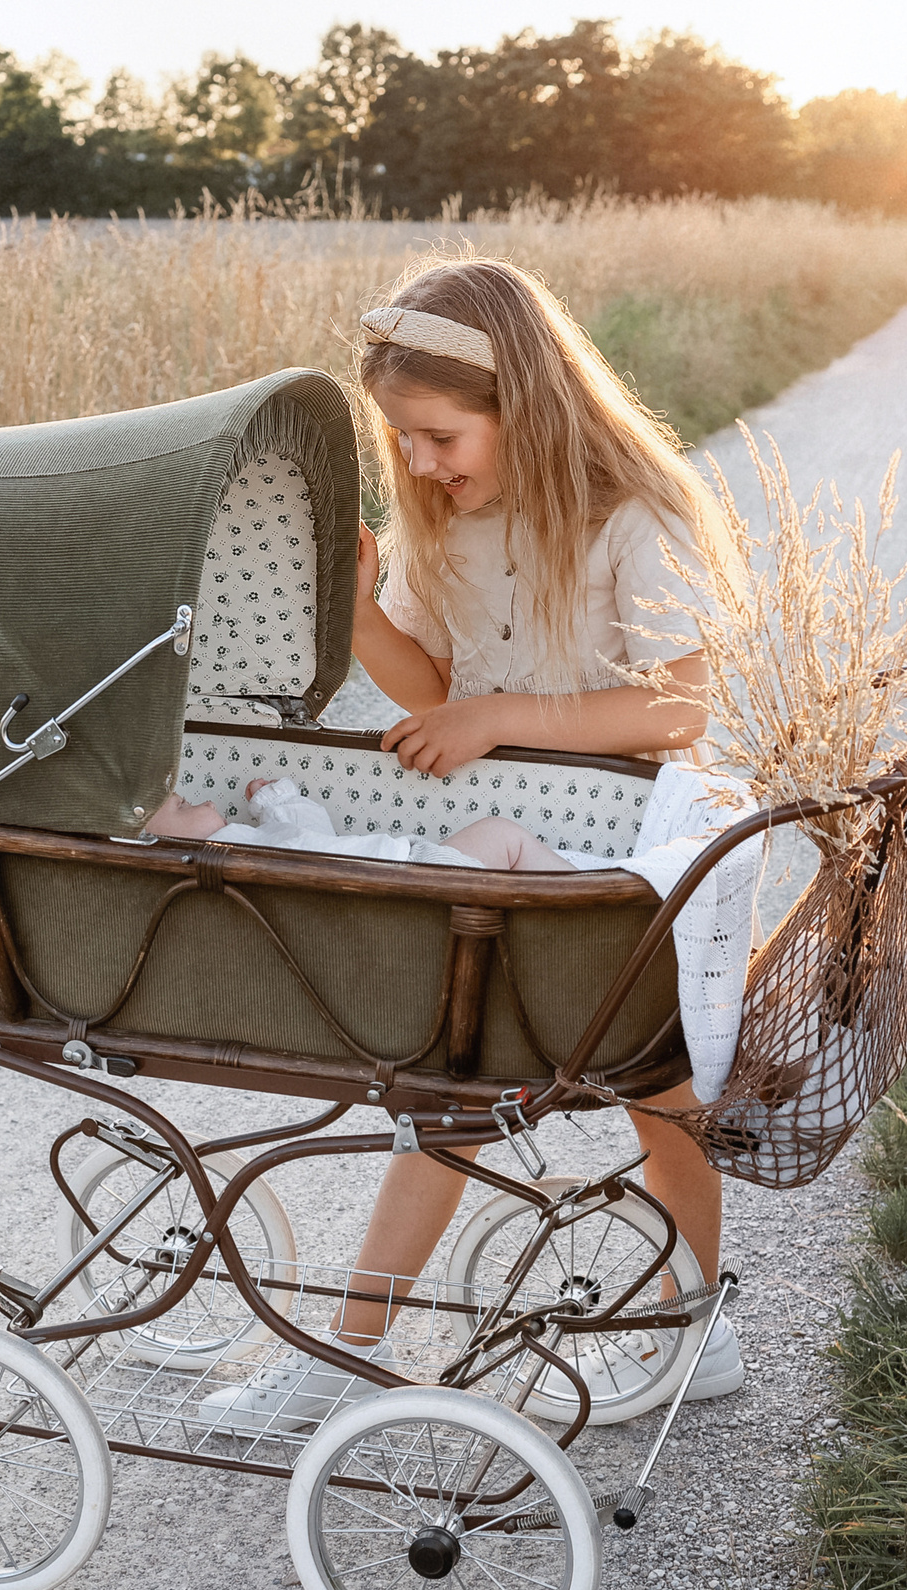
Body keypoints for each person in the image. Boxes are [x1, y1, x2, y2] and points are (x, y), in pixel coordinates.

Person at [195, 256, 741, 1434]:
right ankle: (345, 1352)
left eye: (443, 436)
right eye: (408, 441)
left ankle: (693, 1319)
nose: (427, 464)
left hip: (619, 854)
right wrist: (353, 618)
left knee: (664, 1100)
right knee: (445, 1090)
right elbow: (435, 683)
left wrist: (499, 719)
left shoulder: (635, 521)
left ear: (523, 408)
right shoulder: (445, 522)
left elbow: (678, 710)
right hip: (502, 845)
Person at [144, 777, 574, 871]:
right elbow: (310, 834)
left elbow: (310, 845)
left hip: (391, 898)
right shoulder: (232, 847)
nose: (204, 798)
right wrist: (280, 800)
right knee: (503, 835)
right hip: (417, 873)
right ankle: (586, 898)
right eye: (184, 805)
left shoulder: (234, 865)